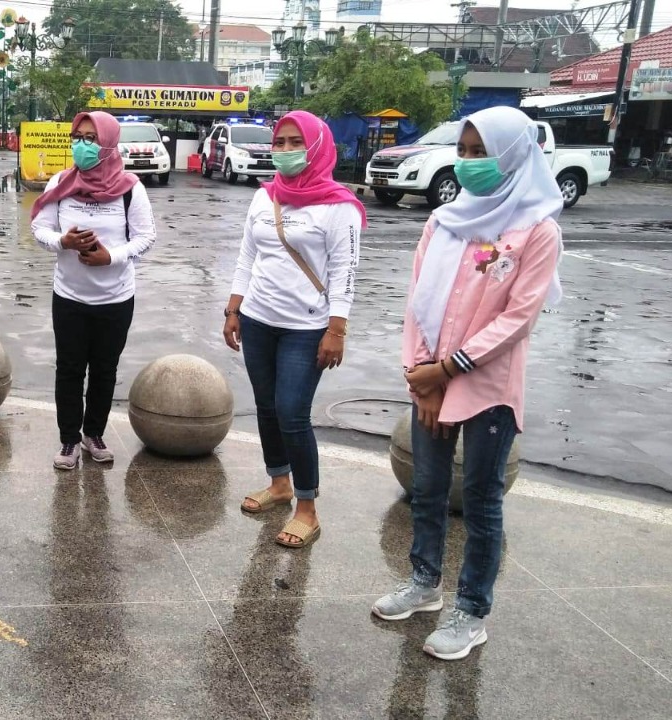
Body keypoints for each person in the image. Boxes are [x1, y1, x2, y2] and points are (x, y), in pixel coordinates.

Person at [372, 106, 564, 661]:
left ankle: (472, 609)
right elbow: (419, 301)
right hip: (431, 378)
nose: (470, 162)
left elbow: (519, 318)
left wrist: (449, 368)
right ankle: (424, 583)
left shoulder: (537, 230)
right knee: (426, 490)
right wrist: (423, 377)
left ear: (513, 156)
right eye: (466, 150)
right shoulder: (446, 219)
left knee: (481, 502)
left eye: (482, 152)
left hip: (489, 388)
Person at [222, 110, 365, 548]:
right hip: (258, 320)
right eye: (279, 143)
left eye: (294, 143)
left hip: (306, 328)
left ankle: (307, 507)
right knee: (266, 407)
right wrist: (233, 308)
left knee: (292, 413)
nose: (283, 151)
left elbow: (345, 271)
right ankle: (278, 482)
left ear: (317, 146)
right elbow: (248, 256)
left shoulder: (340, 206)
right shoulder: (266, 197)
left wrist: (336, 329)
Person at [31, 111, 157, 470]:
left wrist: (110, 257)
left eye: (90, 138)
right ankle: (69, 439)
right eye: (78, 137)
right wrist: (64, 241)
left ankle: (94, 434)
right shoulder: (61, 182)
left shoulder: (131, 188)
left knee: (105, 369)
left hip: (115, 298)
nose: (81, 145)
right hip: (69, 296)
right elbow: (40, 230)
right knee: (69, 369)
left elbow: (146, 237)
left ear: (108, 144)